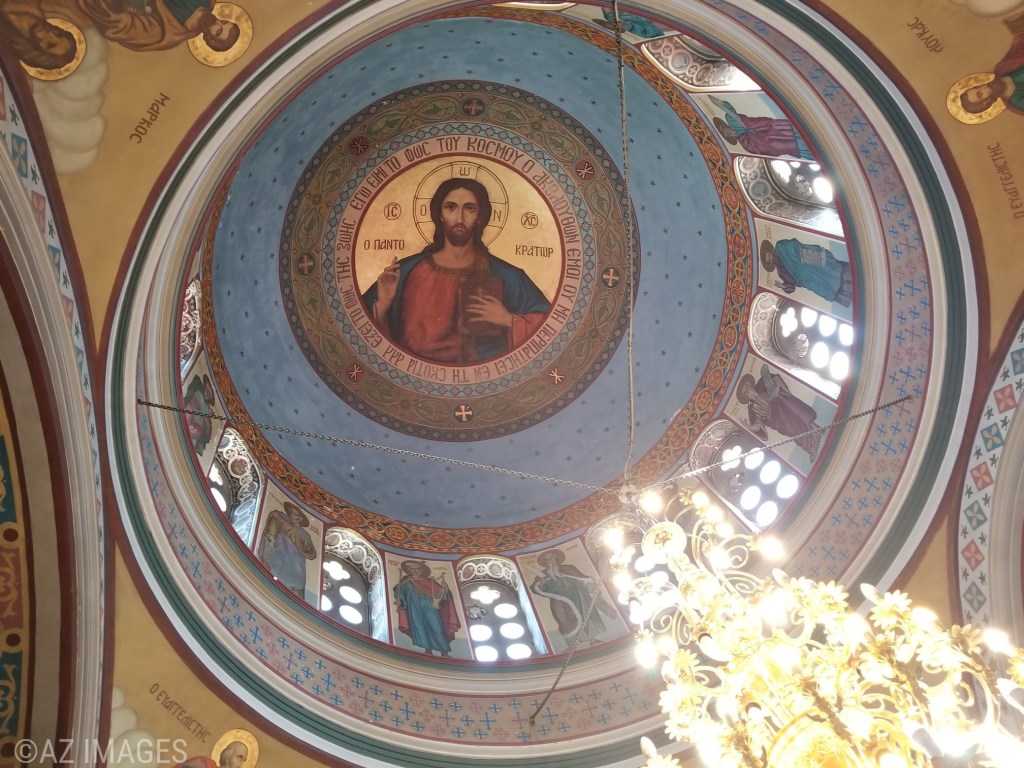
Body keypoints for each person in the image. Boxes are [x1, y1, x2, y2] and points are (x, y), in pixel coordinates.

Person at [362, 178, 550, 363]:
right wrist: (383, 305)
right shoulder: (404, 272)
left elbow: (549, 329)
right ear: (440, 214)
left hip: (480, 378)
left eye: (470, 209)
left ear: (480, 216)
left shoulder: (507, 275)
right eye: (451, 207)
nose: (460, 218)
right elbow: (360, 329)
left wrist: (509, 320)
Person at [64, 0, 240, 52]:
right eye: (224, 22)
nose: (217, 22)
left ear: (209, 38)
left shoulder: (164, 33)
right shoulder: (207, 1)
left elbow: (118, 25)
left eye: (218, 31)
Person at [529, 549, 616, 646]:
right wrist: (541, 584)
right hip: (558, 600)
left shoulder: (568, 568)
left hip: (578, 596)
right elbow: (534, 588)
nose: (549, 561)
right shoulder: (543, 574)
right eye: (547, 559)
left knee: (585, 616)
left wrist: (590, 586)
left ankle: (592, 640)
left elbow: (582, 579)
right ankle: (571, 645)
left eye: (551, 558)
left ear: (556, 559)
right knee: (563, 620)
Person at [737, 364, 822, 460]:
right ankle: (811, 447)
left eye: (747, 387)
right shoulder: (752, 408)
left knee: (797, 412)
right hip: (777, 419)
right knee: (792, 431)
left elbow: (776, 380)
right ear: (745, 396)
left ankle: (815, 429)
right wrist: (749, 427)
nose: (748, 391)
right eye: (745, 392)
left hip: (783, 404)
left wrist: (777, 388)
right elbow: (758, 423)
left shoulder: (762, 385)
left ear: (750, 385)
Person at [959, 13, 1024, 117]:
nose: (983, 87)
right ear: (986, 102)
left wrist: (1015, 25)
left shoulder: (1002, 69)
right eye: (980, 94)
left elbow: (1020, 44)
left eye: (977, 87)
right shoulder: (1017, 102)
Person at [710, 95, 813, 160]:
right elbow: (767, 151)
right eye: (726, 133)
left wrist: (724, 106)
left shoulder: (735, 122)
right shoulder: (746, 144)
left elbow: (734, 115)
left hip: (785, 131)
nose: (728, 132)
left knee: (808, 132)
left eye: (726, 129)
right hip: (788, 145)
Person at [393, 560, 460, 656]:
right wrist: (399, 599)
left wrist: (445, 589)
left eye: (417, 569)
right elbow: (399, 591)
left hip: (430, 607)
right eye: (411, 569)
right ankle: (428, 651)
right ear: (408, 570)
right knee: (420, 628)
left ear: (422, 570)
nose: (415, 571)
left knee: (437, 628)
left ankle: (444, 652)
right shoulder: (406, 581)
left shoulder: (429, 582)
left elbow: (441, 594)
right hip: (414, 608)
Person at [760, 238, 852, 307]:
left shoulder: (780, 246)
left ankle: (850, 278)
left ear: (771, 251)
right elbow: (791, 286)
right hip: (807, 280)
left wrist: (796, 258)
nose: (771, 259)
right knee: (824, 288)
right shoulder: (780, 271)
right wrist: (782, 285)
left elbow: (793, 244)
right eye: (769, 261)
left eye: (769, 256)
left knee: (830, 270)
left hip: (807, 262)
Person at [258, 502, 316, 598]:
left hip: (296, 567)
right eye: (291, 513)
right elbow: (274, 517)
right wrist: (271, 537)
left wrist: (279, 518)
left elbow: (309, 552)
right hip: (280, 562)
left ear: (301, 519)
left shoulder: (304, 534)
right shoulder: (281, 523)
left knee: (297, 596)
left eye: (296, 514)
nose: (293, 516)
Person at [0, 0, 78, 71]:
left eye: (49, 44)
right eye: (58, 34)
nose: (50, 33)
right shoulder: (37, 4)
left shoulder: (4, 40)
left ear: (36, 53)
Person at [173, 740, 248, 768]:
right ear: (227, 755)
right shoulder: (204, 763)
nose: (240, 764)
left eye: (243, 760)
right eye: (239, 757)